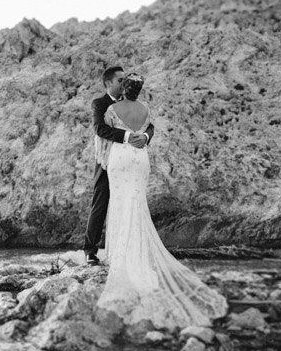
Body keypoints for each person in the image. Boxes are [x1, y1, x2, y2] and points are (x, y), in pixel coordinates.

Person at [96, 72, 228, 330]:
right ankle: (138, 259)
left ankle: (121, 259)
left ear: (125, 87)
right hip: (140, 156)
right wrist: (143, 138)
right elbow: (149, 128)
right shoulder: (146, 110)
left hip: (121, 158)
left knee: (122, 205)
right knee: (137, 204)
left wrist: (107, 155)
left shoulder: (111, 109)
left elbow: (102, 136)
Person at [83, 66, 153, 266]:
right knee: (101, 202)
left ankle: (127, 249)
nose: (124, 83)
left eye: (125, 80)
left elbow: (150, 125)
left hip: (130, 160)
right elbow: (99, 128)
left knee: (129, 201)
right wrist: (128, 137)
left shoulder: (131, 103)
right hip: (107, 159)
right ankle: (90, 250)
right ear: (108, 83)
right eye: (120, 80)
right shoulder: (100, 103)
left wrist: (146, 137)